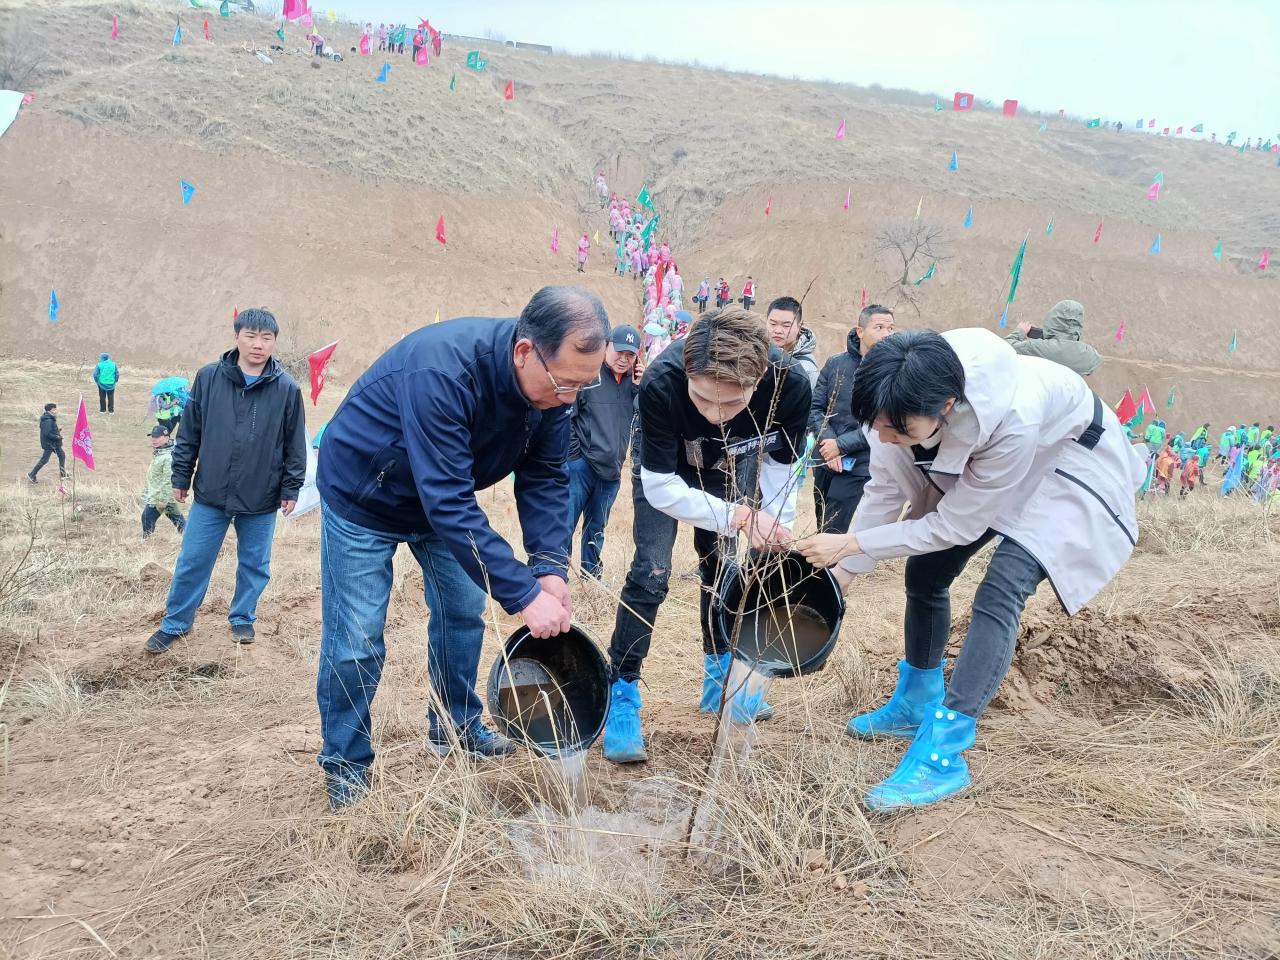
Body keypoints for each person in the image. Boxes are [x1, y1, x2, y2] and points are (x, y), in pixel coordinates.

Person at [797, 329, 1145, 810]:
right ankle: (916, 699)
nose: (885, 438)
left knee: (1002, 589)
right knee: (924, 575)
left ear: (945, 407)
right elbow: (883, 494)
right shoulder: (897, 398)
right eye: (878, 427)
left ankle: (947, 748)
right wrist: (839, 578)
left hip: (1067, 458)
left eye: (899, 431)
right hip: (992, 461)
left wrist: (853, 542)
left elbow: (955, 526)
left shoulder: (1011, 419)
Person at [315, 287, 608, 808]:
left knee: (462, 615)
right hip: (366, 494)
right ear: (524, 352)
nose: (570, 398)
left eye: (583, 387)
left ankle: (456, 728)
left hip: (439, 501)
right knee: (357, 639)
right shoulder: (443, 371)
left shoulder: (555, 391)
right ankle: (346, 763)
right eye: (565, 383)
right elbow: (447, 500)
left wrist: (549, 569)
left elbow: (544, 476)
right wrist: (521, 594)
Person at [603, 308, 812, 764]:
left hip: (729, 464)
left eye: (733, 403)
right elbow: (660, 488)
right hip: (667, 468)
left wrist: (778, 527)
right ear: (688, 374)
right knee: (650, 573)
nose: (716, 415)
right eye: (703, 399)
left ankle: (719, 678)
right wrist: (739, 515)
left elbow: (780, 467)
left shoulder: (790, 385)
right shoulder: (661, 382)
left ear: (759, 381)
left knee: (721, 564)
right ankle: (621, 693)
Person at [144, 309, 307, 655]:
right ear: (237, 337)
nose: (258, 345)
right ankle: (176, 623)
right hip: (212, 492)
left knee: (255, 564)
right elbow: (190, 433)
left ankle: (242, 618)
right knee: (193, 560)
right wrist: (181, 477)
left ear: (274, 342)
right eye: (250, 336)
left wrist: (291, 488)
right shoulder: (209, 378)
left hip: (261, 495)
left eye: (266, 338)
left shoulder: (287, 389)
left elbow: (294, 444)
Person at [809, 305, 896, 533]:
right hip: (824, 455)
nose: (886, 333)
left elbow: (885, 423)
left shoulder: (895, 371)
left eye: (891, 328)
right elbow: (816, 408)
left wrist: (841, 445)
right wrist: (828, 443)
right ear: (860, 331)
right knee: (821, 517)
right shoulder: (836, 364)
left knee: (833, 527)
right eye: (879, 327)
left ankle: (827, 567)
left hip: (859, 462)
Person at [566, 325, 643, 579]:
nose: (624, 359)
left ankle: (591, 577)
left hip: (612, 470)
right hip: (582, 466)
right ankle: (556, 575)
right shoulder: (588, 374)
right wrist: (575, 457)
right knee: (565, 524)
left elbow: (642, 418)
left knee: (597, 527)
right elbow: (568, 416)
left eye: (630, 355)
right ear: (607, 346)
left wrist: (640, 388)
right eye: (619, 352)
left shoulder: (634, 382)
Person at [1004, 300, 1101, 376]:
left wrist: (1020, 331)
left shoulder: (1038, 347)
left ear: (1051, 320)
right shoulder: (1089, 354)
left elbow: (1005, 347)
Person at [141, 425, 186, 537]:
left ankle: (147, 541)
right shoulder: (160, 453)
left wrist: (163, 499)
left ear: (166, 438)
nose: (154, 440)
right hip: (160, 496)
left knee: (147, 517)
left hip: (160, 497)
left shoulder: (168, 457)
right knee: (178, 520)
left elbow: (168, 480)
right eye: (152, 437)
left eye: (157, 437)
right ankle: (189, 537)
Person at [765, 295, 818, 388]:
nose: (778, 330)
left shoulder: (807, 369)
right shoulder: (758, 354)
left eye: (786, 326)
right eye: (773, 324)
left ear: (800, 325)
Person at [27, 402, 66, 483]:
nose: (56, 410)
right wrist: (58, 437)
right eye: (54, 409)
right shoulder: (48, 420)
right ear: (50, 410)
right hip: (50, 444)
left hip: (54, 443)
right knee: (44, 460)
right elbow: (47, 433)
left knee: (62, 456)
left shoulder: (49, 418)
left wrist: (58, 430)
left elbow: (49, 431)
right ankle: (31, 475)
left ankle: (63, 474)